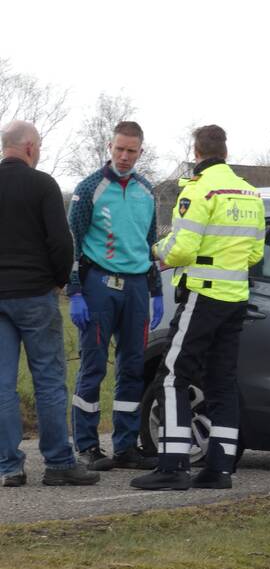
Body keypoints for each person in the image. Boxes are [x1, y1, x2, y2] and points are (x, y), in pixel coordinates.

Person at [131, 125, 264, 491]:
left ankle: (172, 465)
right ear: (225, 150)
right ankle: (219, 469)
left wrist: (158, 250)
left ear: (197, 152)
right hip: (235, 299)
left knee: (173, 376)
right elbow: (255, 253)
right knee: (222, 382)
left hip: (202, 297)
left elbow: (183, 250)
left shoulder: (199, 189)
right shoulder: (250, 194)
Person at [0, 120, 99, 487]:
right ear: (28, 147)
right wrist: (59, 280)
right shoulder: (42, 185)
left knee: (1, 385)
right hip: (35, 295)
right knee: (49, 380)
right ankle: (58, 462)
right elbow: (61, 241)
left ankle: (9, 466)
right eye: (38, 146)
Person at [66, 121, 163, 471]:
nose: (124, 156)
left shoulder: (147, 191)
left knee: (133, 366)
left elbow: (150, 243)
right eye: (119, 149)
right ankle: (88, 446)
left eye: (131, 151)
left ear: (141, 151)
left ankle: (125, 445)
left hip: (137, 287)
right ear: (110, 146)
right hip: (98, 286)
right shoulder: (89, 188)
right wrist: (75, 290)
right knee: (93, 367)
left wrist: (155, 290)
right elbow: (72, 243)